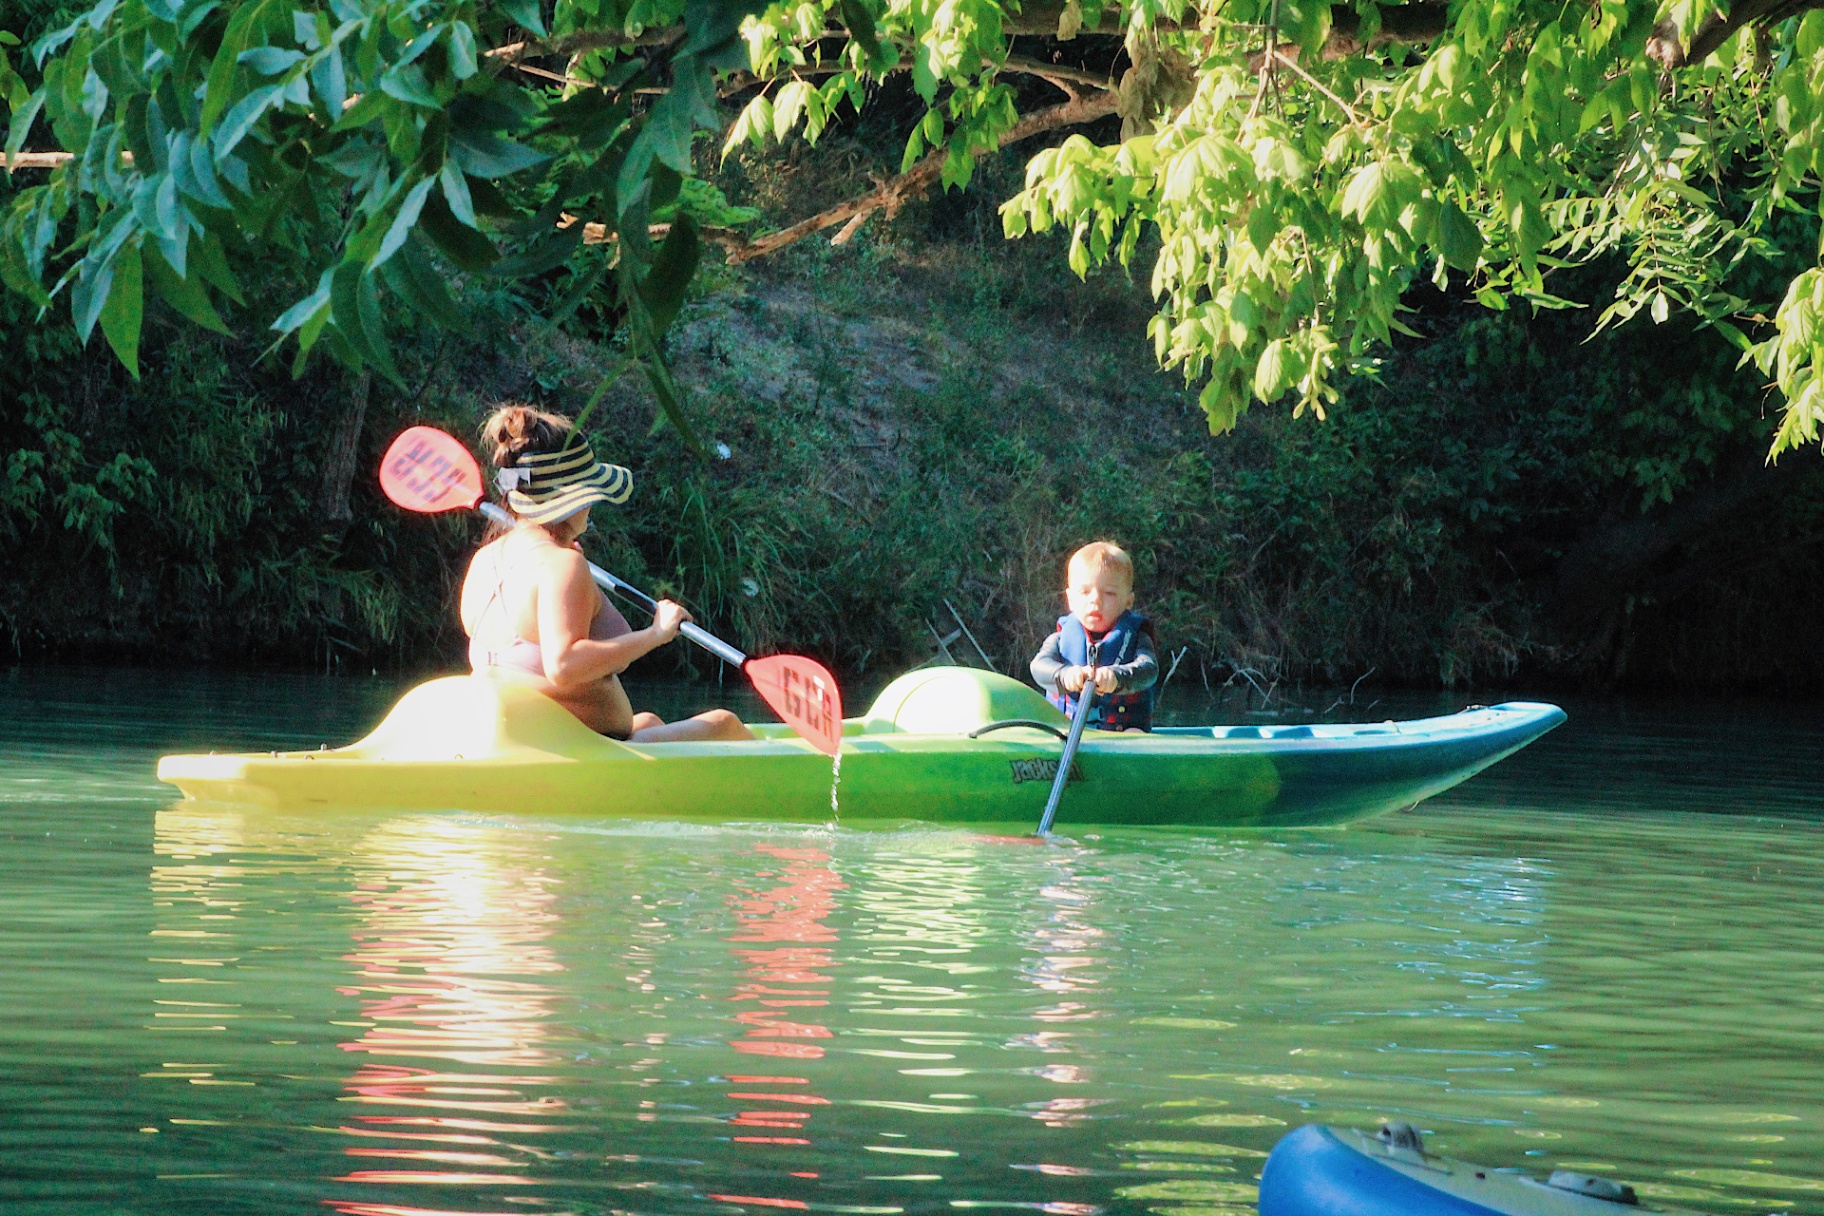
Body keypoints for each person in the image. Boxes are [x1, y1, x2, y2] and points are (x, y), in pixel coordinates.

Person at [460, 404, 753, 743]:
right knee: (725, 723)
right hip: (577, 751)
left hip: (547, 738)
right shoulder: (560, 565)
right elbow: (564, 666)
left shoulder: (486, 559)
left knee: (651, 721)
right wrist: (656, 633)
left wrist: (579, 576)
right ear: (573, 498)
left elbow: (589, 640)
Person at [1030, 541, 1159, 732]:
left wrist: (1118, 677)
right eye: (1085, 592)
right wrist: (1064, 675)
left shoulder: (1137, 637)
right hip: (1065, 732)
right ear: (1071, 599)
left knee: (1134, 735)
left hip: (1124, 734)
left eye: (1109, 593)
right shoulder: (1061, 638)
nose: (1095, 600)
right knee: (1050, 732)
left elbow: (1149, 670)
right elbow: (1038, 667)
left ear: (1128, 601)